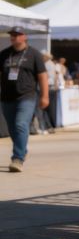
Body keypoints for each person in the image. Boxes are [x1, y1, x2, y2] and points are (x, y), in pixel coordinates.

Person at [0, 27, 48, 172]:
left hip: (26, 96)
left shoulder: (34, 54)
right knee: (12, 129)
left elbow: (42, 76)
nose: (14, 37)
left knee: (21, 124)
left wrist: (45, 96)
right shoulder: (4, 54)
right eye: (12, 35)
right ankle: (22, 150)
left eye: (17, 35)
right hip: (7, 97)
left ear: (24, 37)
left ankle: (17, 158)